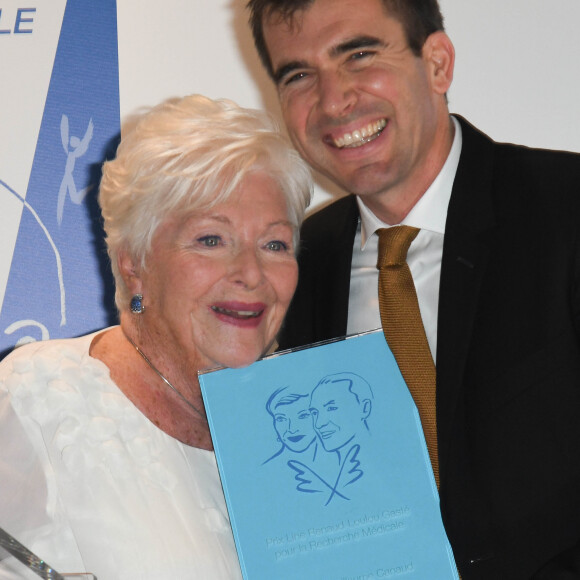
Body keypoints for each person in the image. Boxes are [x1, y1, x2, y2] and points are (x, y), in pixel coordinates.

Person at [247, 0, 580, 578]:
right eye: (298, 74)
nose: (333, 100)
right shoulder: (288, 269)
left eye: (359, 54)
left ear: (438, 63)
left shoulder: (567, 209)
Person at [0, 94, 312, 579]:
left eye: (274, 243)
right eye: (212, 240)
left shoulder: (312, 417)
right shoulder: (37, 397)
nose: (251, 273)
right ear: (135, 262)